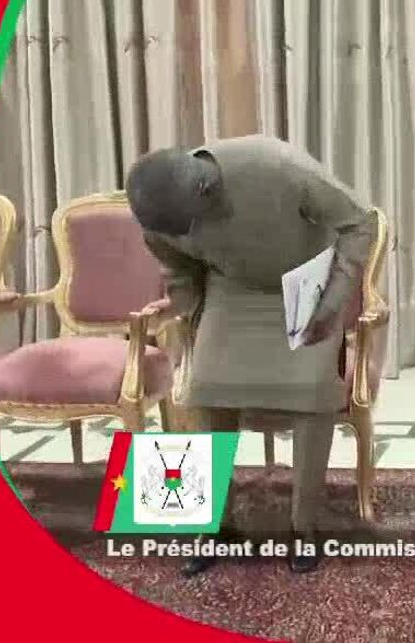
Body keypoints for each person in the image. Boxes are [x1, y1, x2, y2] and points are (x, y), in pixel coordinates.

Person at [125, 135, 377, 575]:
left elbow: (361, 221)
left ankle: (303, 527)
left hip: (306, 290)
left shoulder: (277, 166)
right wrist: (193, 316)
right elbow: (176, 265)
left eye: (188, 225)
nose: (185, 235)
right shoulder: (161, 215)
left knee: (311, 391)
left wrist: (333, 301)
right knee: (203, 389)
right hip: (232, 292)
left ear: (206, 190)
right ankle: (213, 526)